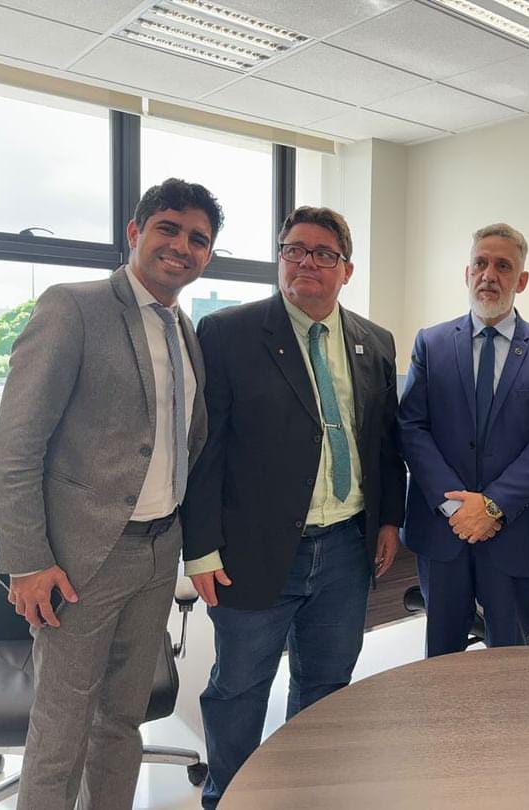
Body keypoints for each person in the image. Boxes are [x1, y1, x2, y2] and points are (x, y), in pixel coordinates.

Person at [0, 178, 221, 808]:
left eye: (198, 239)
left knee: (122, 720)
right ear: (134, 232)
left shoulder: (184, 329)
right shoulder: (73, 308)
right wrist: (27, 561)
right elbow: (16, 447)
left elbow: (187, 443)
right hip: (81, 560)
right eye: (168, 228)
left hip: (158, 551)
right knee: (61, 731)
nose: (182, 246)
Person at [181, 205, 405, 808]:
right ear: (280, 258)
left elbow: (384, 442)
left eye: (324, 253)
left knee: (327, 683)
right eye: (294, 249)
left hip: (346, 549)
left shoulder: (374, 341)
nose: (307, 262)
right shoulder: (227, 333)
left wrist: (389, 519)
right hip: (252, 552)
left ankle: (304, 793)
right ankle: (228, 798)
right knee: (239, 688)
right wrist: (199, 549)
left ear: (346, 269)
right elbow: (204, 451)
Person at [399, 222, 529, 657]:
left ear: (522, 280)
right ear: (467, 273)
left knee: (509, 657)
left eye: (503, 266)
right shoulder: (431, 344)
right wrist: (458, 508)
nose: (489, 275)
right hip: (444, 530)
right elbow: (412, 427)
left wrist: (492, 505)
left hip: (514, 533)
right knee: (442, 657)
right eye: (480, 263)